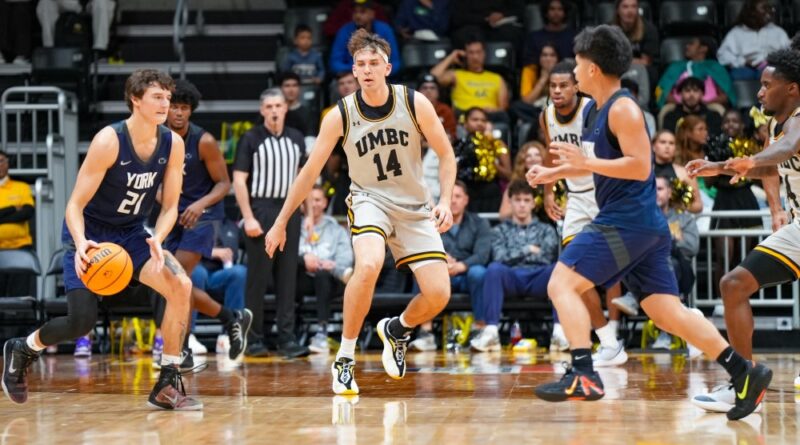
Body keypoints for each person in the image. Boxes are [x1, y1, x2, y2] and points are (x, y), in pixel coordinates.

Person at [526, 25, 770, 420]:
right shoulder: (593, 111)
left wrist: (584, 163)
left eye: (579, 63)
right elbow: (603, 168)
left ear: (593, 67)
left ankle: (583, 373)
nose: (573, 71)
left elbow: (640, 167)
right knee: (665, 312)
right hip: (641, 226)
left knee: (562, 283)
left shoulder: (622, 107)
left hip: (628, 221)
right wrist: (555, 175)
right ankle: (745, 372)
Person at [264, 29, 456, 395]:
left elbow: (446, 154)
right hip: (370, 200)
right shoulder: (340, 115)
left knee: (438, 295)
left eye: (373, 64)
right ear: (353, 69)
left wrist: (445, 200)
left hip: (415, 206)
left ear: (388, 66)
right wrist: (281, 220)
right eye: (360, 65)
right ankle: (346, 357)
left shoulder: (414, 102)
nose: (366, 70)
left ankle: (396, 329)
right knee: (367, 265)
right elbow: (309, 172)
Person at [1, 69, 204, 410]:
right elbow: (74, 206)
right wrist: (81, 244)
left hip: (134, 234)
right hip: (92, 235)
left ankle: (167, 382)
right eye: (157, 97)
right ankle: (23, 348)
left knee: (180, 286)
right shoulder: (109, 140)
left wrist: (160, 236)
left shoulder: (173, 142)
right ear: (135, 99)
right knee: (81, 322)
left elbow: (171, 206)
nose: (165, 104)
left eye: (168, 98)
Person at [686, 39, 800, 412]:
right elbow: (773, 164)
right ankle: (744, 377)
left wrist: (750, 160)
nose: (760, 91)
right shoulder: (774, 123)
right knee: (733, 284)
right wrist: (719, 166)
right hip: (798, 227)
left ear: (792, 88)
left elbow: (786, 150)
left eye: (768, 85)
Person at [539, 60, 628, 365]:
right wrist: (549, 190)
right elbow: (552, 157)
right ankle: (607, 341)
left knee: (620, 265)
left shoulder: (594, 108)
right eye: (553, 86)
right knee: (573, 269)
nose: (557, 91)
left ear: (576, 87)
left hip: (606, 194)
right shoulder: (546, 116)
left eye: (564, 85)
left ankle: (618, 326)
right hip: (576, 199)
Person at [162, 79, 252, 363]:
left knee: (177, 279)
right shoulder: (157, 139)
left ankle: (184, 346)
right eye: (173, 107)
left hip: (204, 216)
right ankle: (230, 317)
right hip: (173, 214)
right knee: (177, 282)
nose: (178, 112)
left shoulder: (204, 141)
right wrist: (169, 206)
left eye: (184, 108)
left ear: (191, 111)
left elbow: (224, 184)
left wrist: (199, 206)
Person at [232, 88, 309, 359]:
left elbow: (303, 178)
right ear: (262, 110)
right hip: (261, 209)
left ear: (286, 108)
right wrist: (249, 217)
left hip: (289, 211)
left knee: (287, 277)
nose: (275, 110)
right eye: (270, 106)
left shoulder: (297, 139)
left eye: (279, 105)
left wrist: (306, 214)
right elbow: (239, 180)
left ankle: (287, 338)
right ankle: (254, 339)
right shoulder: (251, 138)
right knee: (258, 279)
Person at [469, 180, 558, 352]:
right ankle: (491, 333)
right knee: (494, 269)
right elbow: (500, 257)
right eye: (517, 200)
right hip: (512, 278)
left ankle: (560, 334)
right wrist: (528, 249)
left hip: (538, 278)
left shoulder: (547, 229)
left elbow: (546, 257)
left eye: (526, 200)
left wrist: (516, 253)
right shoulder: (499, 231)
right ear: (510, 203)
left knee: (557, 269)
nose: (522, 205)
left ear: (533, 203)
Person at [410, 180, 491, 351]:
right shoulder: (431, 223)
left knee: (479, 272)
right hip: (441, 273)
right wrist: (441, 260)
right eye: (450, 197)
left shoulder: (479, 223)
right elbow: (422, 247)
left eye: (458, 196)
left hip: (467, 274)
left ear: (466, 200)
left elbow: (483, 255)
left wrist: (461, 265)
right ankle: (426, 334)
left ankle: (480, 330)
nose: (453, 201)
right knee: (423, 271)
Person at [297, 185, 354, 354]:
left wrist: (332, 264)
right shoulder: (295, 228)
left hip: (330, 279)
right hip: (304, 278)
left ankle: (322, 332)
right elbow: (288, 255)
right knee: (288, 276)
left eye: (317, 200)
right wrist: (304, 260)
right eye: (310, 200)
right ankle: (287, 333)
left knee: (323, 276)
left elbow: (347, 257)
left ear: (324, 203)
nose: (313, 204)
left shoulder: (336, 229)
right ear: (303, 205)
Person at [189, 218, 248, 356]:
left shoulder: (231, 226)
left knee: (239, 272)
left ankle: (229, 336)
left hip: (219, 275)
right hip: (198, 268)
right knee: (197, 272)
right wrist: (212, 252)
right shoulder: (192, 218)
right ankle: (188, 335)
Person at [430, 38, 510, 116]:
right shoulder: (456, 75)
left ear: (484, 54)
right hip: (463, 118)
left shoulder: (497, 78)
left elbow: (503, 108)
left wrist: (495, 110)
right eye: (471, 53)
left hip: (489, 117)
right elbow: (432, 78)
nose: (475, 57)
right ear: (465, 54)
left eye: (478, 52)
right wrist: (451, 57)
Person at [453, 107, 512, 212]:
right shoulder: (457, 145)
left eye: (483, 120)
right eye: (475, 120)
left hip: (490, 193)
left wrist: (488, 160)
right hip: (466, 191)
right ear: (465, 123)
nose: (479, 123)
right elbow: (451, 174)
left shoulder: (497, 144)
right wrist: (464, 157)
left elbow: (509, 175)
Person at [655, 36, 735, 109]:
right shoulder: (675, 67)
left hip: (709, 107)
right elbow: (663, 91)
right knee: (665, 110)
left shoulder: (715, 67)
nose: (687, 47)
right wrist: (681, 104)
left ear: (703, 48)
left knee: (719, 109)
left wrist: (705, 104)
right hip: (678, 106)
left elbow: (725, 95)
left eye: (691, 44)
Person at [718, 0, 789, 81]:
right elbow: (723, 56)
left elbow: (788, 53)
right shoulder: (736, 32)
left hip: (771, 66)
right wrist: (743, 62)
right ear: (752, 12)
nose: (769, 11)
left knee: (771, 74)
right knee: (740, 75)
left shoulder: (778, 31)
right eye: (764, 8)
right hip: (744, 68)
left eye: (769, 8)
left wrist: (773, 61)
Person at [329, 0, 401, 76]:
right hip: (353, 76)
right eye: (355, 12)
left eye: (362, 12)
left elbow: (395, 62)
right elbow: (335, 63)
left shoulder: (385, 29)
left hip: (381, 76)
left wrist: (378, 71)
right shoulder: (344, 31)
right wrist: (358, 69)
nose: (358, 16)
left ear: (372, 14)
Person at [0, 150, 35, 297]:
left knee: (20, 297)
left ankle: (20, 321)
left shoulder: (21, 187)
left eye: (1, 161)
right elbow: (19, 213)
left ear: (8, 163)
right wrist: (13, 208)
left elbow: (27, 213)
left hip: (20, 248)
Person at [651, 130, 703, 214]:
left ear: (675, 148)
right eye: (663, 142)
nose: (667, 146)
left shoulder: (685, 173)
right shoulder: (643, 172)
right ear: (653, 146)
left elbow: (698, 206)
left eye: (671, 143)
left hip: (675, 222)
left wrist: (681, 203)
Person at [36, 0, 116, 53]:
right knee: (45, 3)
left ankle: (99, 51)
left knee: (102, 3)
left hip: (92, 2)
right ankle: (49, 51)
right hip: (72, 2)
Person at [521, 0, 576, 67]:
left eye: (560, 9)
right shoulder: (534, 37)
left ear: (565, 12)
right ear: (546, 12)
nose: (556, 13)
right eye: (552, 9)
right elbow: (529, 66)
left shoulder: (574, 37)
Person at [279, 71, 316, 137]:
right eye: (287, 86)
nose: (291, 89)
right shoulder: (275, 112)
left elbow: (310, 137)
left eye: (294, 85)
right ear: (281, 88)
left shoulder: (308, 113)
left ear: (300, 88)